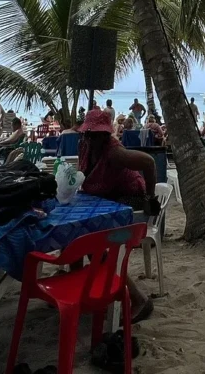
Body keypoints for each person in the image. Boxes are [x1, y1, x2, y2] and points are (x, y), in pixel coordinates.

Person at [76, 106, 158, 323]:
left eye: (97, 134)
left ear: (105, 134)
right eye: (89, 134)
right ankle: (77, 285)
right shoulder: (84, 146)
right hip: (105, 198)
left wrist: (150, 199)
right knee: (78, 234)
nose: (91, 138)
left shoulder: (115, 152)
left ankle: (138, 299)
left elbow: (149, 163)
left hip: (129, 200)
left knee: (95, 244)